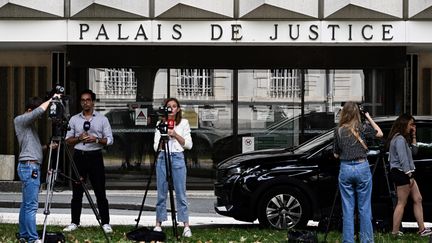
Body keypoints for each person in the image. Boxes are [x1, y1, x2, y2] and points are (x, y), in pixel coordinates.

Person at [63, 89, 114, 233]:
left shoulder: (102, 119)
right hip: (79, 156)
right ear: (80, 103)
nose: (86, 103)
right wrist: (79, 138)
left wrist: (96, 139)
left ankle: (105, 223)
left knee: (100, 191)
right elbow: (67, 140)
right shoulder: (74, 119)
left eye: (88, 100)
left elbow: (110, 140)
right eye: (83, 100)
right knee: (77, 191)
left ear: (93, 102)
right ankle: (74, 222)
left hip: (95, 156)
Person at [333, 102, 383, 243]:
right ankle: (366, 240)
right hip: (362, 167)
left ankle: (348, 240)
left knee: (347, 209)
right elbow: (380, 133)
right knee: (364, 208)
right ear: (357, 114)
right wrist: (368, 117)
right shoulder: (363, 127)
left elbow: (336, 154)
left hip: (346, 168)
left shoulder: (338, 130)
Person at [14, 94, 60, 243]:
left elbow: (32, 148)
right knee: (31, 206)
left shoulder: (29, 128)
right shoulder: (20, 120)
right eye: (33, 114)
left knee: (26, 204)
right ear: (29, 110)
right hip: (29, 167)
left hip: (29, 166)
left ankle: (24, 235)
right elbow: (38, 112)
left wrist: (48, 147)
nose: (38, 118)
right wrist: (52, 99)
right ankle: (33, 239)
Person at [153, 98, 193, 237]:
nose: (171, 109)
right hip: (163, 157)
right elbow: (155, 147)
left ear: (178, 109)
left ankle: (185, 225)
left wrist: (175, 134)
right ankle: (158, 223)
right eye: (169, 106)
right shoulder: (160, 123)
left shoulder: (184, 123)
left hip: (177, 157)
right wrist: (164, 136)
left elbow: (188, 144)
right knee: (161, 193)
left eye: (174, 106)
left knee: (181, 193)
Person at [387, 114, 432, 237]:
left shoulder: (401, 138)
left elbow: (414, 152)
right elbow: (403, 160)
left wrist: (413, 136)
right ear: (403, 124)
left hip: (405, 172)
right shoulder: (399, 139)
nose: (412, 127)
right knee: (401, 202)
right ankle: (395, 232)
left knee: (418, 199)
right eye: (411, 124)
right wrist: (409, 175)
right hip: (402, 173)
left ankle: (422, 229)